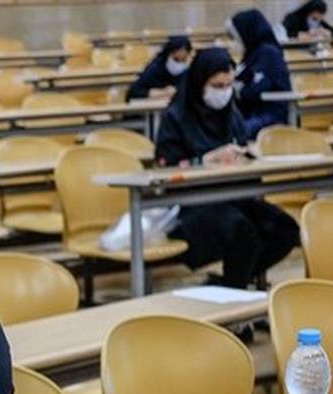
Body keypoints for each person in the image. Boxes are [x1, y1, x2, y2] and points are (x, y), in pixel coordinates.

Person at [155, 48, 301, 289]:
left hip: (234, 196)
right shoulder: (176, 117)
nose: (223, 92)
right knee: (243, 232)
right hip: (193, 203)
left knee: (285, 229)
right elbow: (166, 167)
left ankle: (230, 283)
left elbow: (240, 144)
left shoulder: (231, 113)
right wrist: (206, 160)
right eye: (217, 86)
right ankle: (236, 289)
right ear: (199, 83)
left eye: (228, 85)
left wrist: (246, 155)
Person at [228, 9, 293, 138]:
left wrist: (239, 88)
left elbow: (256, 88)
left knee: (236, 132)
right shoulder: (253, 53)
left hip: (270, 114)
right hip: (251, 111)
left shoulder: (268, 53)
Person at [126, 35, 193, 100]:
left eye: (184, 60)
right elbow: (133, 92)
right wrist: (161, 93)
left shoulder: (187, 71)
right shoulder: (155, 68)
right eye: (176, 59)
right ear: (168, 54)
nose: (180, 63)